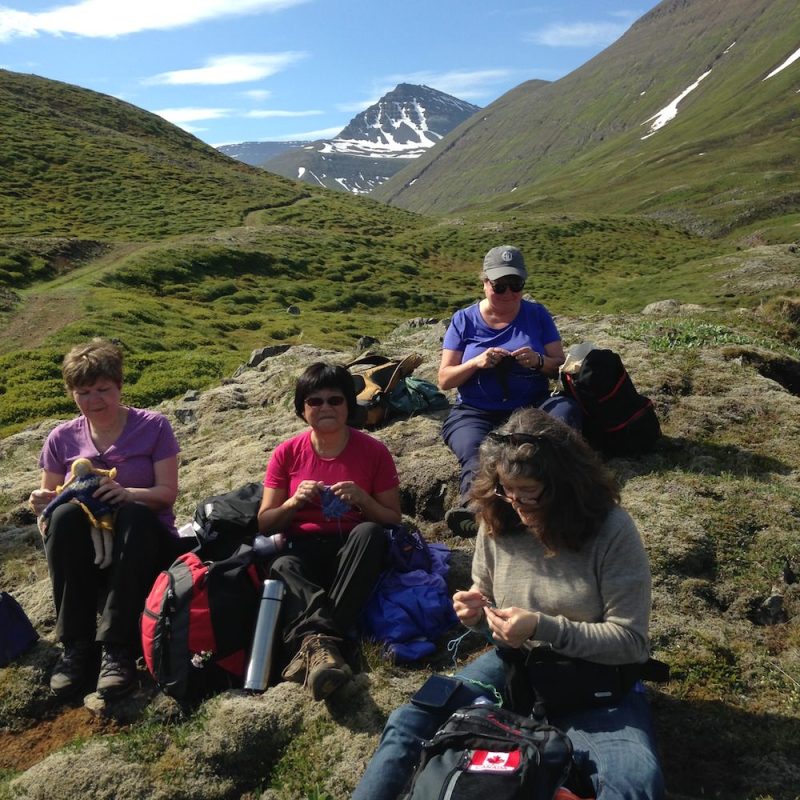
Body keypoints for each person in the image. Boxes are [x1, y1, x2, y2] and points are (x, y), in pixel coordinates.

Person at [353, 407, 664, 800]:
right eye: (506, 489)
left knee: (632, 780)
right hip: (513, 667)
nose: (517, 503)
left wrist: (541, 627)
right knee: (409, 720)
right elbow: (487, 596)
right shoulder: (497, 518)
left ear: (568, 484)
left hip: (596, 680)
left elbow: (630, 642)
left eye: (531, 493)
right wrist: (476, 614)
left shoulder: (611, 531)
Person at [28, 339, 184, 701]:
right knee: (65, 516)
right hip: (88, 551)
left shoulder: (154, 426)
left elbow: (166, 493)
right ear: (71, 394)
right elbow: (49, 501)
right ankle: (76, 646)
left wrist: (129, 493)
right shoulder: (61, 438)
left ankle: (117, 649)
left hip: (145, 544)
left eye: (103, 390)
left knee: (133, 514)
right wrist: (41, 503)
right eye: (83, 392)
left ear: (120, 386)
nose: (94, 400)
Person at [257, 361, 401, 701]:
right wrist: (293, 503)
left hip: (351, 552)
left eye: (335, 400)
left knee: (369, 533)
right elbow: (266, 522)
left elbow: (392, 518)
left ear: (349, 405)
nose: (325, 407)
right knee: (281, 565)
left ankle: (316, 643)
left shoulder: (373, 451)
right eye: (314, 401)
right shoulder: (286, 453)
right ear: (302, 408)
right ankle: (330, 645)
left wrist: (363, 499)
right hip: (303, 547)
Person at [439, 245, 581, 536]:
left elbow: (561, 366)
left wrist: (538, 361)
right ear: (484, 283)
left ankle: (549, 500)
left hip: (532, 406)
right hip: (474, 410)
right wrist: (476, 363)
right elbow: (445, 379)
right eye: (499, 285)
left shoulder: (538, 315)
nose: (508, 293)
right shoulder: (463, 320)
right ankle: (475, 509)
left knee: (563, 417)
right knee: (473, 449)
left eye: (515, 285)